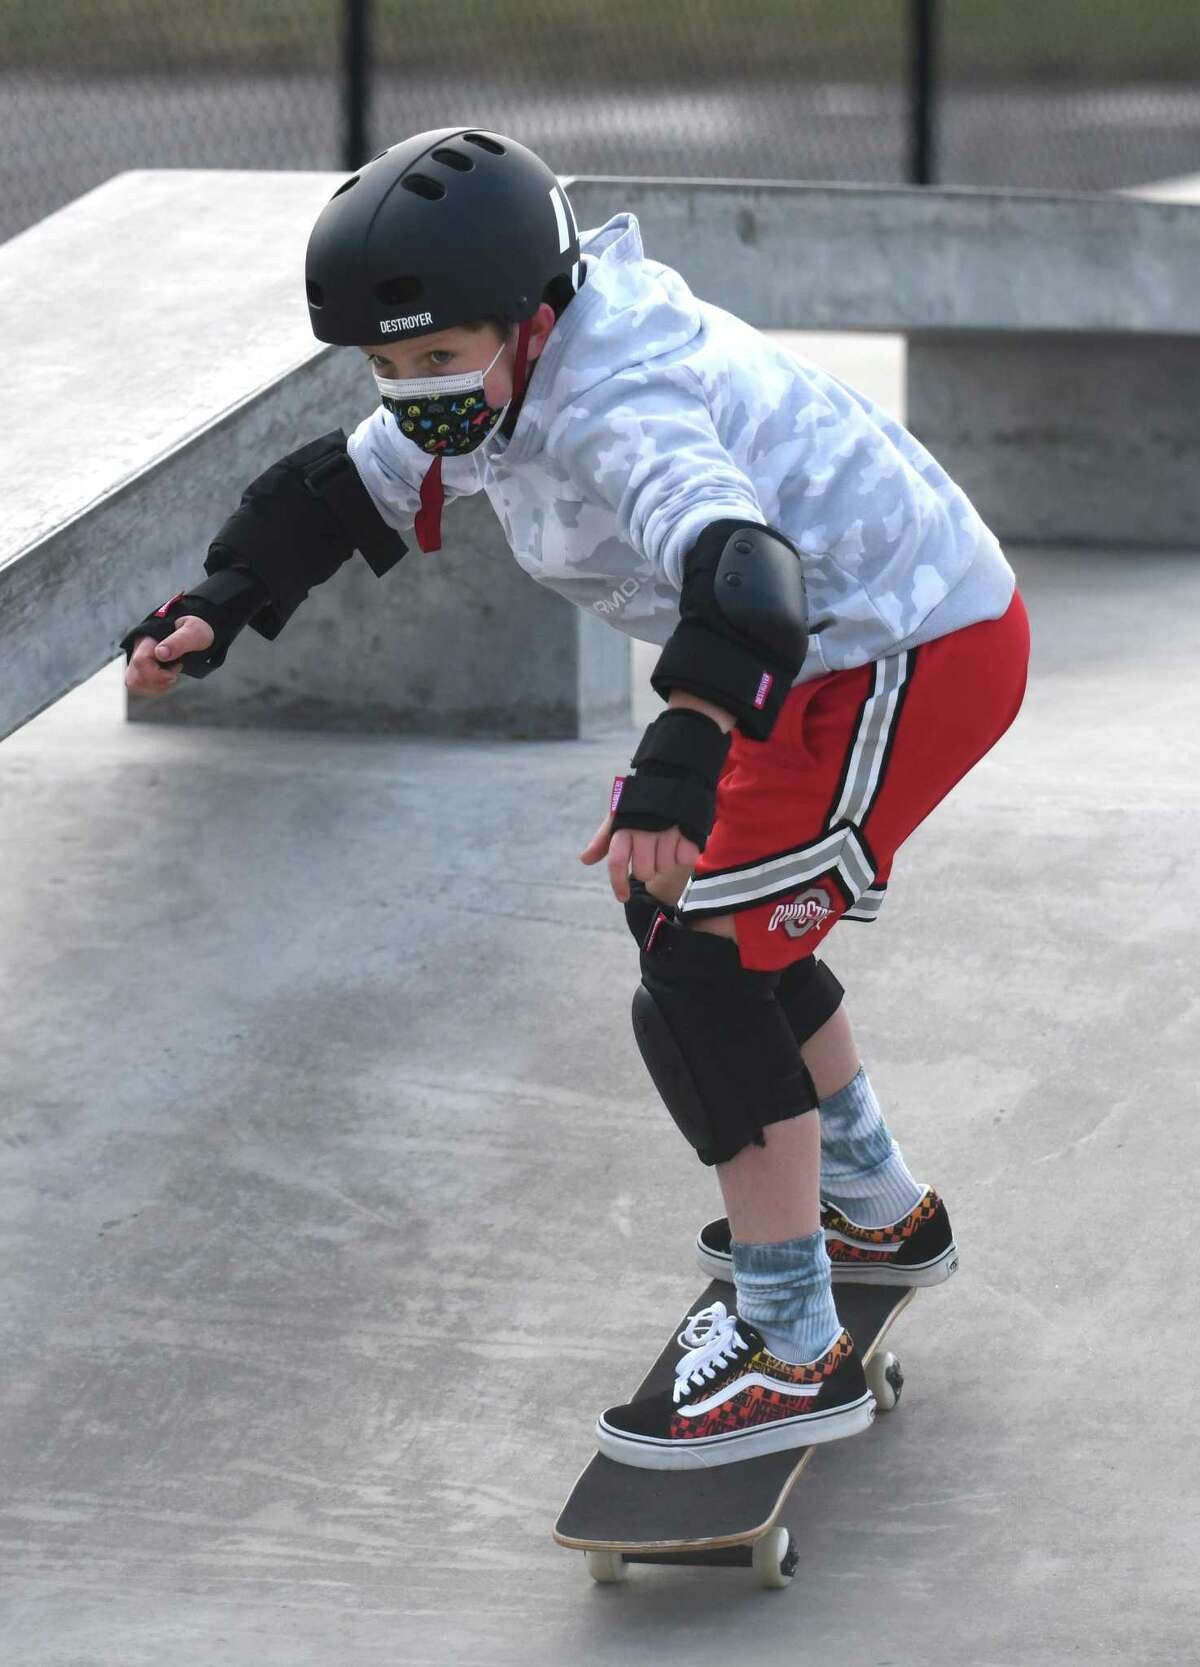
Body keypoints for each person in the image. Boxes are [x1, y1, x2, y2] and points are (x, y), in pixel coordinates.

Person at [122, 127, 1029, 1473]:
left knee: (696, 962)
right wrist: (220, 605)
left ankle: (790, 1345)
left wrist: (681, 763)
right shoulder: (495, 376)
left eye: (434, 363)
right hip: (827, 654)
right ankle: (870, 1206)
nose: (413, 395)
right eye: (387, 366)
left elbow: (746, 575)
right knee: (696, 917)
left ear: (532, 318)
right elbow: (337, 490)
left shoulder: (619, 399)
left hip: (906, 649)